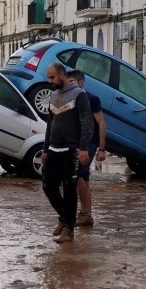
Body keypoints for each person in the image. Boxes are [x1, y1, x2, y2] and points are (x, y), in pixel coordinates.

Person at [42, 62, 94, 243]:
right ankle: (65, 217)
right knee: (48, 186)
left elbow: (88, 123)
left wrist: (84, 148)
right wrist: (45, 149)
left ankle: (69, 230)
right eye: (48, 78)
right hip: (54, 150)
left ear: (62, 75)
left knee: (70, 190)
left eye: (52, 77)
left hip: (72, 151)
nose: (50, 81)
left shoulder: (79, 95)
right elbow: (50, 124)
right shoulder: (53, 96)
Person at [67, 69, 107, 227]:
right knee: (84, 178)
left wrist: (102, 149)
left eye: (72, 82)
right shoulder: (70, 99)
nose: (69, 85)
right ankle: (87, 214)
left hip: (89, 143)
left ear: (81, 82)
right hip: (77, 143)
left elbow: (102, 123)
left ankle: (84, 213)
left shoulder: (92, 99)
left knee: (78, 177)